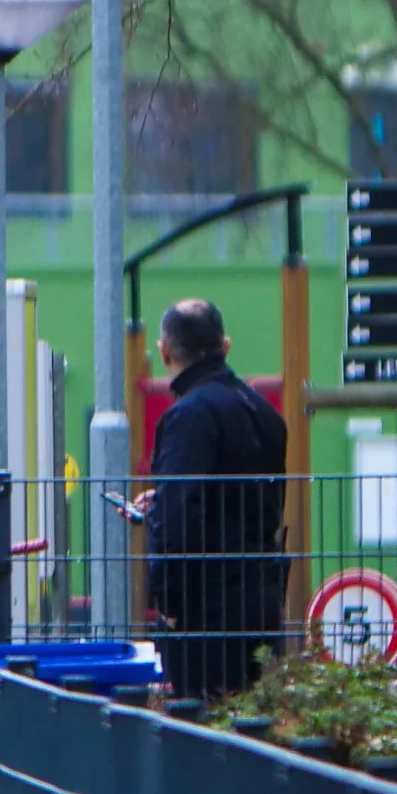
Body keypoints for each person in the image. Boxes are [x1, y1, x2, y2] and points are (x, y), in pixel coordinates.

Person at [131, 298, 289, 703]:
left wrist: (168, 600)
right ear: (226, 346)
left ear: (164, 351)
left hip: (206, 608)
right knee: (253, 719)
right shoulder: (263, 412)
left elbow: (182, 518)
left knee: (200, 722)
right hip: (261, 595)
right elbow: (252, 498)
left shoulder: (188, 416)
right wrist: (165, 498)